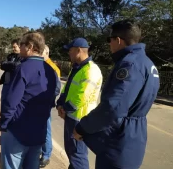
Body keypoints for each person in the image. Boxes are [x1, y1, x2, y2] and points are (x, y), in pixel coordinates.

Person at [73, 19, 160, 169]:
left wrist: (82, 128)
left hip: (119, 138)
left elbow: (113, 107)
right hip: (134, 136)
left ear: (118, 40)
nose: (109, 44)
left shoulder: (129, 64)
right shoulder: (148, 64)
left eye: (110, 40)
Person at [0, 32, 61, 169]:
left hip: (18, 130)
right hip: (39, 132)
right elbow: (51, 99)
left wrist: (4, 123)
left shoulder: (22, 69)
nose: (19, 48)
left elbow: (11, 101)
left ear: (30, 47)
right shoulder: (51, 71)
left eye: (22, 45)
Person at [56, 38, 103, 169]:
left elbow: (82, 96)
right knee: (72, 152)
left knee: (77, 154)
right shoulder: (77, 68)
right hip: (71, 116)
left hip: (80, 119)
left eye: (70, 51)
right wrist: (59, 104)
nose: (68, 54)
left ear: (78, 50)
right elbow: (67, 89)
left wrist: (65, 108)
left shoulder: (90, 70)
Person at [40, 45, 61, 168]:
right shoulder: (41, 65)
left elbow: (56, 89)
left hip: (45, 104)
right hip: (39, 104)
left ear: (46, 53)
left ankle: (46, 155)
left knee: (46, 129)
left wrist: (47, 100)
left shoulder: (52, 68)